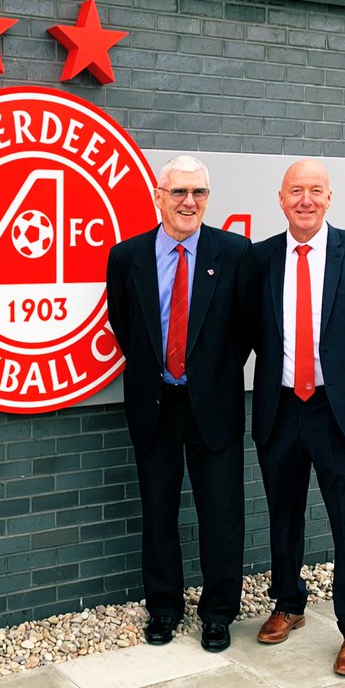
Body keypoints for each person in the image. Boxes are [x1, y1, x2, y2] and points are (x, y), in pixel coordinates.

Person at [250, 158, 345, 676]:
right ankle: (288, 601)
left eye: (315, 190)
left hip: (338, 411)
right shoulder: (262, 258)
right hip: (282, 407)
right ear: (281, 199)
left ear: (329, 198)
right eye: (296, 191)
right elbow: (252, 334)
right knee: (283, 516)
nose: (305, 199)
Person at [106, 155, 253, 653]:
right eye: (179, 193)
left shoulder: (234, 252)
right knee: (158, 511)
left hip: (214, 404)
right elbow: (127, 328)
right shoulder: (127, 258)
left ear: (207, 199)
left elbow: (246, 331)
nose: (189, 202)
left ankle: (217, 612)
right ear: (159, 195)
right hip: (155, 404)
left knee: (221, 513)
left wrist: (210, 373)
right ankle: (164, 607)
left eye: (199, 193)